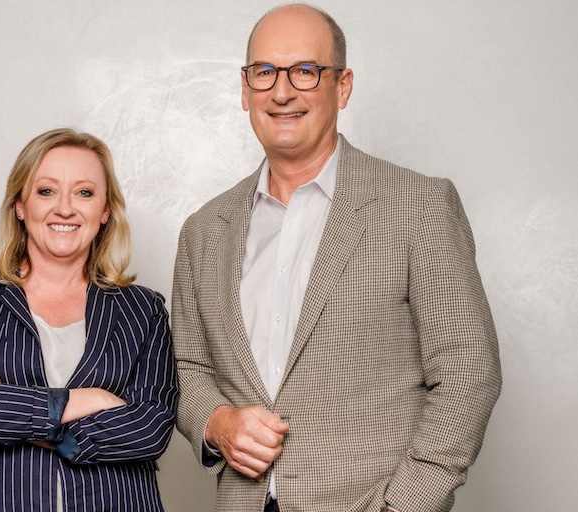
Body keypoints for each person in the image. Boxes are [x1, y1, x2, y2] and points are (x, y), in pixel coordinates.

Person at [172, 4, 502, 512]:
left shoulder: (418, 205)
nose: (282, 92)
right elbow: (189, 368)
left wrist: (405, 505)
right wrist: (216, 422)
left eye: (305, 71)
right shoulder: (203, 231)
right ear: (245, 89)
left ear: (342, 86)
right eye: (264, 72)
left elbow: (468, 371)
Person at [0, 128, 178, 511]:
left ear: (105, 210)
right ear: (20, 205)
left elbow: (151, 428)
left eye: (84, 192)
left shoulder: (144, 309)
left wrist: (8, 404)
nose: (65, 208)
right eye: (46, 191)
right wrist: (93, 399)